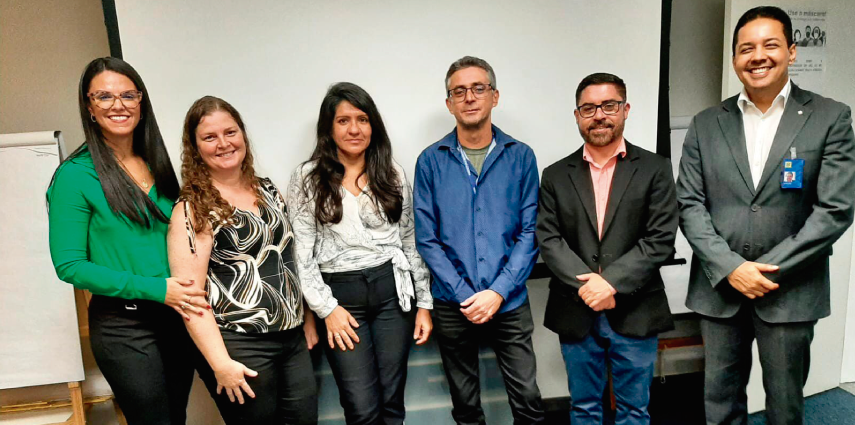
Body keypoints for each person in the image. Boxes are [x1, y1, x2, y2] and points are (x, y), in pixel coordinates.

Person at [677, 6, 855, 425]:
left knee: (785, 404)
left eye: (770, 45)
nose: (758, 56)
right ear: (736, 59)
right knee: (719, 402)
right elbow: (689, 204)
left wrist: (769, 271)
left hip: (791, 291)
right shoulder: (706, 123)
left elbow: (835, 210)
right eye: (746, 48)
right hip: (719, 289)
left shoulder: (830, 117)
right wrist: (731, 268)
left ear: (791, 52)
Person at [47, 57, 205, 424]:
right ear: (89, 106)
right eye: (104, 96)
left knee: (175, 418)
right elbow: (69, 265)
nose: (118, 105)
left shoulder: (159, 164)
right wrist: (155, 289)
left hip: (177, 316)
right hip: (124, 326)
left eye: (128, 95)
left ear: (141, 101)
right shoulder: (75, 175)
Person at [287, 82, 433, 425]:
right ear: (328, 128)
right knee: (361, 408)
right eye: (343, 121)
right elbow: (301, 255)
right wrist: (327, 310)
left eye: (363, 119)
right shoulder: (308, 178)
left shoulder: (391, 172)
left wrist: (425, 304)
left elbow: (409, 240)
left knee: (392, 403)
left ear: (373, 125)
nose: (355, 129)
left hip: (392, 296)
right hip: (341, 299)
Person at [167, 96, 318, 424]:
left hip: (291, 339)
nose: (223, 143)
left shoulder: (268, 190)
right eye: (209, 137)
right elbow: (190, 299)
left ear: (243, 136)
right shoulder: (193, 208)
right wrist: (220, 364)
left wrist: (305, 318)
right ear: (195, 148)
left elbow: (288, 260)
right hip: (239, 345)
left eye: (230, 132)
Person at [537, 72, 678, 425]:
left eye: (608, 105)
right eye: (588, 108)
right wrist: (591, 287)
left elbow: (660, 238)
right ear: (577, 116)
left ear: (625, 109)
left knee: (634, 410)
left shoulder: (655, 168)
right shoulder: (555, 175)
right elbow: (549, 239)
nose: (598, 115)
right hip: (576, 308)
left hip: (636, 308)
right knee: (584, 408)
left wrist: (610, 282)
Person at [414, 56, 545, 425]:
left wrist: (498, 291)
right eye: (459, 91)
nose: (469, 97)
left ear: (494, 96)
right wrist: (463, 294)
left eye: (478, 88)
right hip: (453, 303)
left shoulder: (521, 157)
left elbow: (529, 231)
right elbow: (427, 238)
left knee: (529, 400)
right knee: (465, 404)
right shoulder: (430, 162)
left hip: (510, 299)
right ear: (449, 103)